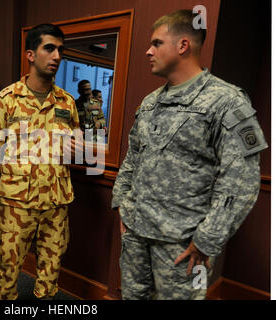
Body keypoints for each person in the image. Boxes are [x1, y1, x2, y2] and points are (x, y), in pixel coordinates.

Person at [112, 9, 267, 300]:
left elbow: (241, 181)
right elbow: (133, 158)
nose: (148, 51)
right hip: (135, 232)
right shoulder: (149, 103)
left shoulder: (228, 101)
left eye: (156, 43)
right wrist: (122, 202)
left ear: (183, 46)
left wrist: (207, 240)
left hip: (182, 244)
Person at [0, 23, 80, 300]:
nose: (57, 56)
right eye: (49, 48)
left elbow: (75, 147)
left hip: (56, 202)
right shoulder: (7, 100)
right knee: (7, 273)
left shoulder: (67, 102)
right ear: (30, 55)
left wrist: (77, 148)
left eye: (60, 50)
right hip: (17, 204)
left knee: (50, 276)